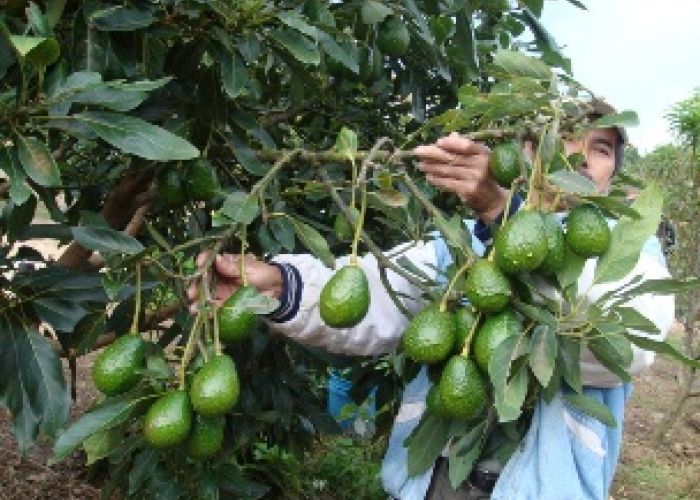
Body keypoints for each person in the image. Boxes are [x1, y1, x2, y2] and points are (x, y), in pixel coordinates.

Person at [188, 102, 674, 499]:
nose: (581, 156)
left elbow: (628, 344)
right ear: (526, 154)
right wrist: (276, 284)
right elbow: (375, 294)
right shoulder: (460, 244)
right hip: (437, 482)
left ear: (613, 171)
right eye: (563, 137)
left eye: (602, 148)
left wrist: (504, 216)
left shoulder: (627, 248)